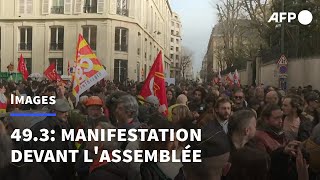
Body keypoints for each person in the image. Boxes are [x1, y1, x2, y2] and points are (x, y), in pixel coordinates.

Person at [30, 99, 73, 180]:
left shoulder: (65, 125)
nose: (67, 114)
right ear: (54, 111)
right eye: (63, 112)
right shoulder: (43, 128)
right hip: (51, 173)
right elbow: (39, 154)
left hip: (63, 171)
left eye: (67, 111)